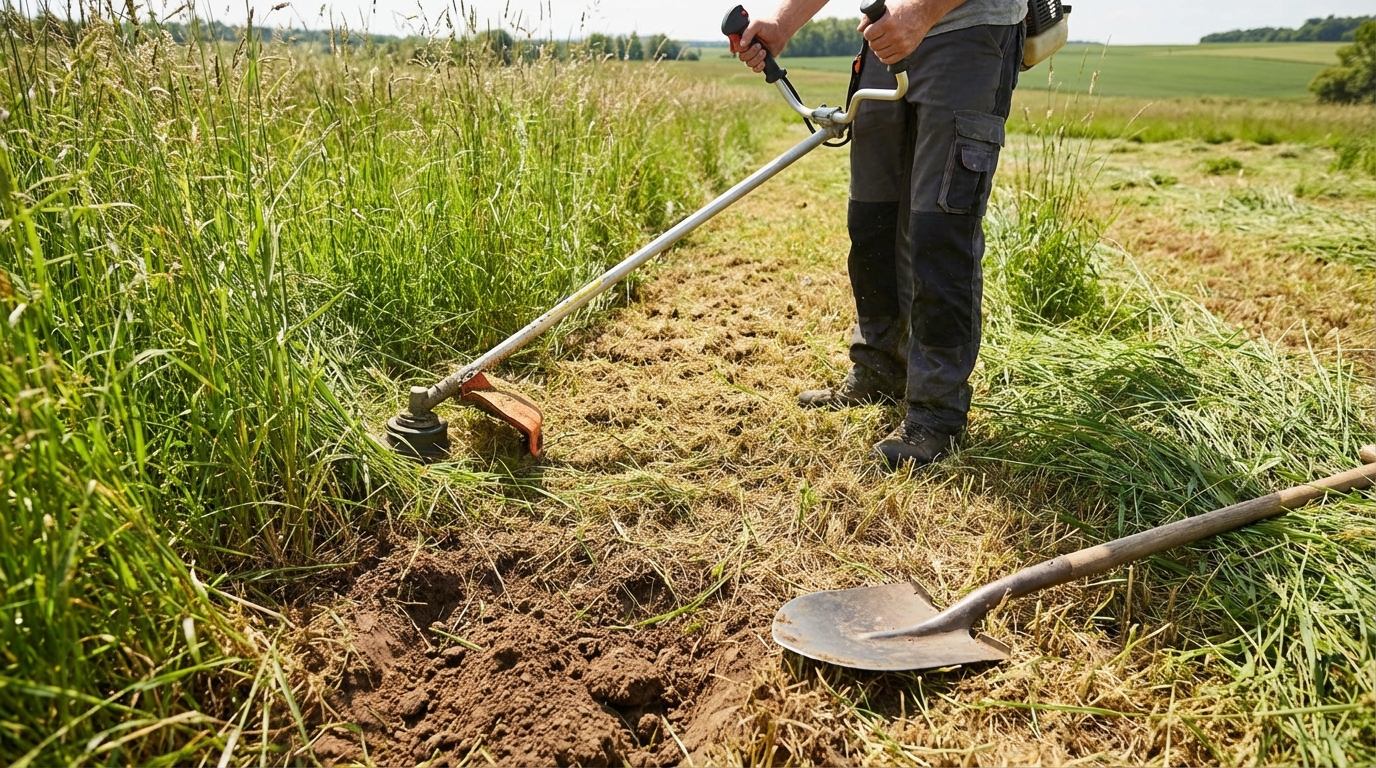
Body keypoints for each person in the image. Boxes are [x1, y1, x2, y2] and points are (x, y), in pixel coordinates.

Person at [733, 0, 1025, 469]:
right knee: (872, 218)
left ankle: (936, 412)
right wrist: (782, 22)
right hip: (883, 38)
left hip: (969, 32)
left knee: (939, 228)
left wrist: (922, 12)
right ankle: (880, 367)